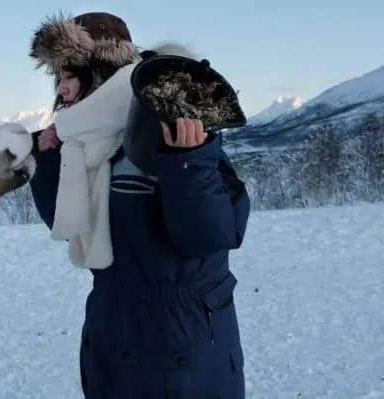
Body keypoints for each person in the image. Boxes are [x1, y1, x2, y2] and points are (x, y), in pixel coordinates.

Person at [27, 12, 251, 398]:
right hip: (112, 334)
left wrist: (190, 162)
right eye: (58, 78)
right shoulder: (83, 143)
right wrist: (47, 166)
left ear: (102, 67)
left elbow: (213, 234)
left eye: (70, 75)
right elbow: (71, 227)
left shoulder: (169, 118)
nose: (62, 89)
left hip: (183, 342)